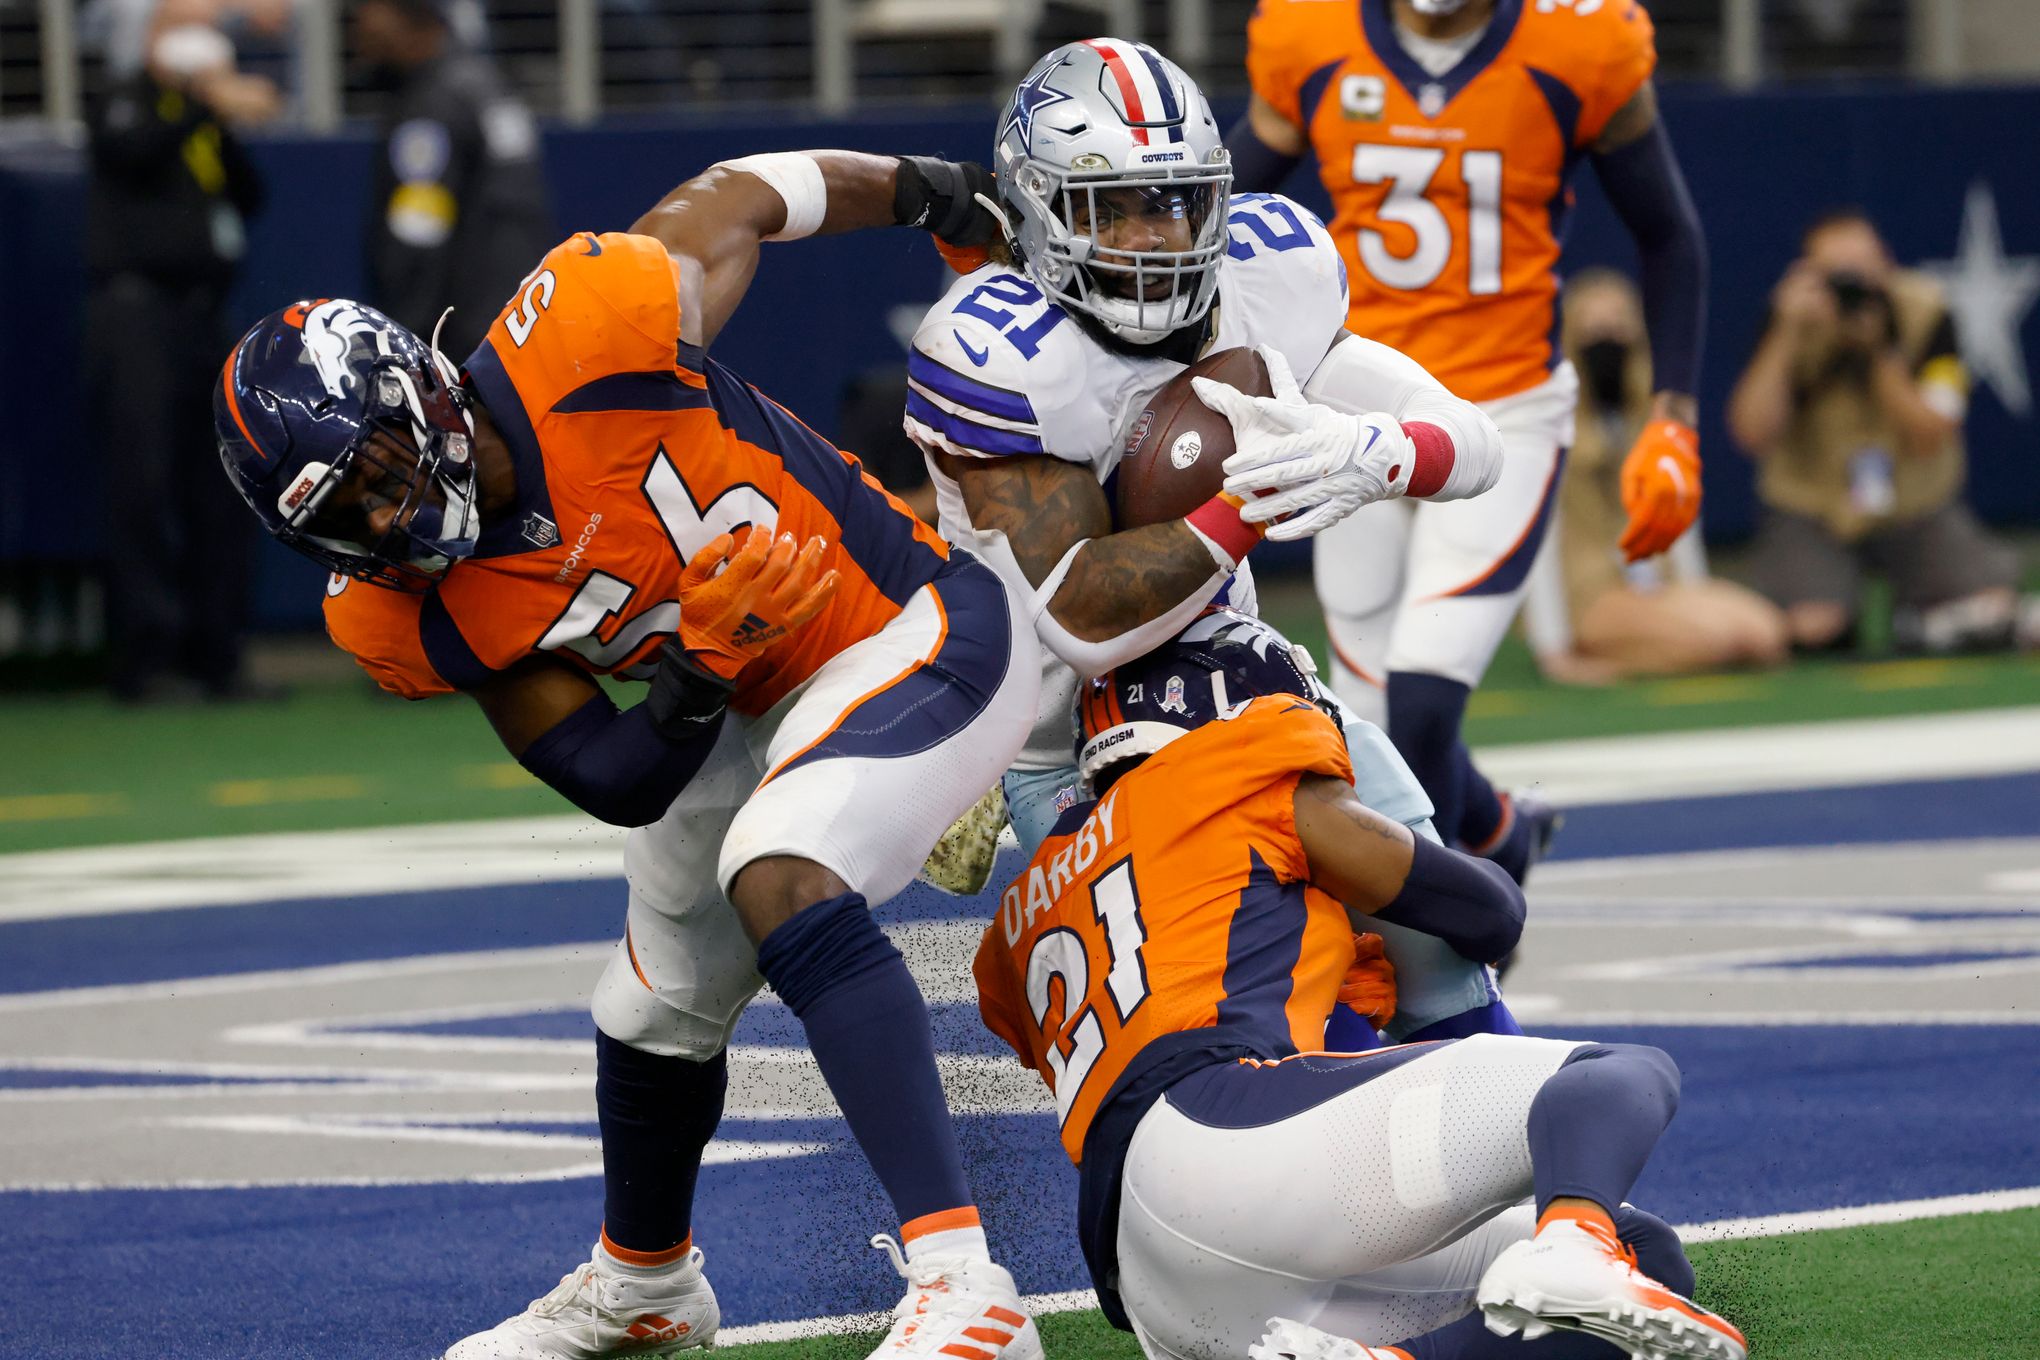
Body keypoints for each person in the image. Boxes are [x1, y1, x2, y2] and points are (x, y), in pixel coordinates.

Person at [215, 152, 1048, 1359]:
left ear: (422, 397)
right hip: (739, 693)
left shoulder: (588, 327)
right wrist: (699, 669)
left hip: (914, 625)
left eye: (382, 479)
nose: (388, 525)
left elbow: (746, 197)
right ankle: (645, 1283)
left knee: (778, 864)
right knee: (652, 999)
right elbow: (613, 774)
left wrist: (920, 189)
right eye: (344, 519)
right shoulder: (401, 609)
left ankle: (967, 1283)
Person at [904, 38, 1513, 1040]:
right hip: (1067, 742)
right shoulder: (1002, 353)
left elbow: (1478, 443)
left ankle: (1531, 1168)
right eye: (1121, 208)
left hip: (1250, 692)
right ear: (1042, 207)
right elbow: (1090, 621)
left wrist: (1373, 449)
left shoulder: (1270, 271)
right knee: (1274, 1003)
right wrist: (1251, 499)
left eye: (1182, 200)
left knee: (1449, 955)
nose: (1160, 234)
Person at [971, 611, 1747, 1360]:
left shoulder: (1023, 912)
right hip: (1234, 1141)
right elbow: (1489, 914)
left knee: (1645, 1263)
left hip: (1147, 1280)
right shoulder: (1222, 771)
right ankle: (1572, 1245)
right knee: (1619, 1073)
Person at [1231, 0, 1710, 881]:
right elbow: (1212, 213)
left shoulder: (1582, 40)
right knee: (1365, 737)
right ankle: (1496, 833)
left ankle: (1458, 953)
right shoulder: (1311, 33)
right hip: (1357, 411)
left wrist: (1671, 417)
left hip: (1504, 415)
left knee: (1418, 704)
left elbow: (1669, 235)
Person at [88, 0, 277, 702]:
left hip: (205, 317)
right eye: (181, 27)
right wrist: (202, 104)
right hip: (137, 317)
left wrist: (221, 118)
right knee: (142, 484)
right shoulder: (124, 99)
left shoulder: (203, 118)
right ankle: (147, 659)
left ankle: (217, 653)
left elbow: (250, 196)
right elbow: (127, 152)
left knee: (223, 483)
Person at [1727, 208, 2022, 655]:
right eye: (1838, 274)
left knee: (1991, 610)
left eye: (1863, 268)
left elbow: (1933, 432)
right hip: (1812, 507)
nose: (1853, 286)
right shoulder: (1790, 318)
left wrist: (1881, 353)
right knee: (1813, 630)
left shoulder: (1928, 311)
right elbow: (1750, 434)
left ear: (1886, 262)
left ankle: (1921, 621)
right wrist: (1785, 334)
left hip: (1915, 502)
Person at [1524, 270, 1787, 684]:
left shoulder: (1654, 417)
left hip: (1654, 584)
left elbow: (1680, 516)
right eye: (1593, 328)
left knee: (1765, 634)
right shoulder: (1549, 427)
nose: (1607, 339)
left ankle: (1672, 634)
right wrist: (1553, 645)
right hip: (1591, 589)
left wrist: (1693, 596)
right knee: (1710, 643)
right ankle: (1613, 660)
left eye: (1617, 325)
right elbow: (1538, 539)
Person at [352, 0, 555, 359]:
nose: (361, 24)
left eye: (374, 9)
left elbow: (419, 233)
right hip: (521, 320)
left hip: (459, 338)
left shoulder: (433, 104)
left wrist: (404, 342)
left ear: (415, 18)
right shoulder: (487, 84)